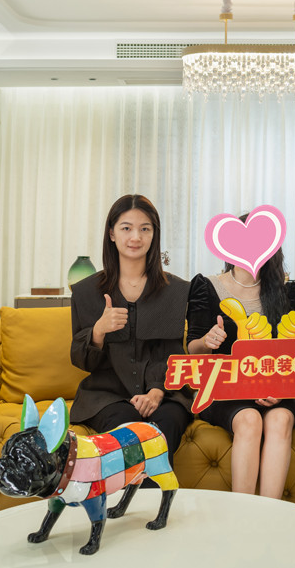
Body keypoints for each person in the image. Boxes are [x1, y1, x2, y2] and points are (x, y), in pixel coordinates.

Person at [69, 194, 192, 463]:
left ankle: (145, 490)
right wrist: (98, 331)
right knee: (127, 427)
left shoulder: (176, 290)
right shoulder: (86, 291)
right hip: (107, 397)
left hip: (165, 394)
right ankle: (148, 490)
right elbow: (81, 360)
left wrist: (157, 391)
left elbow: (173, 354)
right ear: (112, 234)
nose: (136, 237)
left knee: (167, 422)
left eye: (145, 229)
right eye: (126, 228)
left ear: (154, 235)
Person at [186, 233, 295, 499]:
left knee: (280, 419)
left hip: (277, 388)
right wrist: (207, 340)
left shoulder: (286, 291)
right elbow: (193, 348)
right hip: (225, 389)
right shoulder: (206, 286)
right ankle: (243, 513)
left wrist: (280, 388)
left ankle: (271, 514)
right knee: (249, 419)